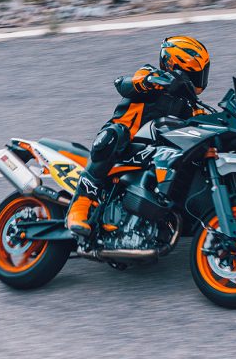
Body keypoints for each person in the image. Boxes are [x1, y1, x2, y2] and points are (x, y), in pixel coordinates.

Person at [66, 35, 210, 238]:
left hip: (155, 153)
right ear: (176, 66)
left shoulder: (192, 107)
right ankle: (79, 207)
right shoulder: (151, 76)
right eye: (196, 74)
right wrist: (151, 80)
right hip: (125, 144)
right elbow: (123, 84)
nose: (200, 79)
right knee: (112, 136)